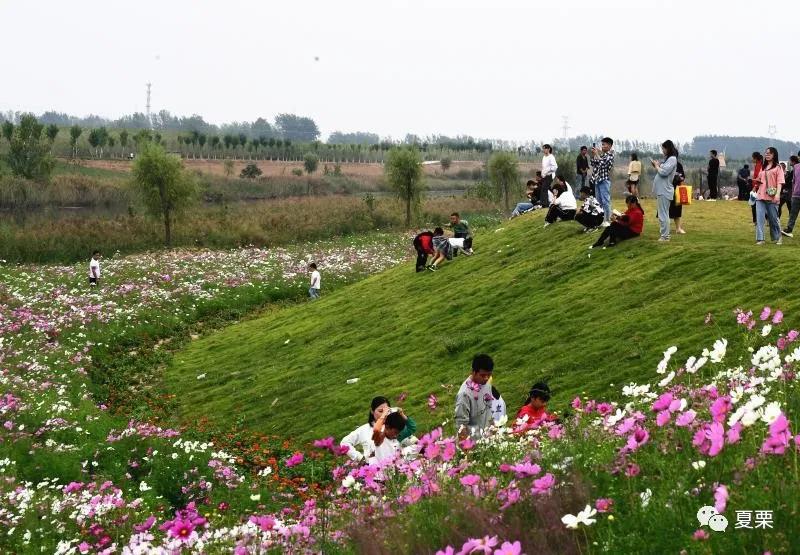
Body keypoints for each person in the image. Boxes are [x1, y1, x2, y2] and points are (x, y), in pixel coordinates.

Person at [340, 396, 416, 462]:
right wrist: (360, 458)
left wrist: (402, 414)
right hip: (375, 470)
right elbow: (345, 442)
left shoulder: (393, 427)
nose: (384, 413)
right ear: (372, 411)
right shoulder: (365, 430)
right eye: (380, 411)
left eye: (386, 411)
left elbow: (411, 428)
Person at [455, 354, 495, 439]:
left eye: (489, 375)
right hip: (473, 443)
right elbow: (461, 425)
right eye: (483, 375)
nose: (486, 378)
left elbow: (489, 410)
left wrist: (494, 431)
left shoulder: (486, 384)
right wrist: (468, 449)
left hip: (488, 439)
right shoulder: (464, 394)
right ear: (473, 372)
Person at [754, 147, 784, 245]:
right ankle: (760, 239)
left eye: (769, 153)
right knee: (759, 218)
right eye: (766, 153)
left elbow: (780, 182)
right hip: (760, 196)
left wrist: (777, 195)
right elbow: (759, 179)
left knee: (773, 219)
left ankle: (778, 237)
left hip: (772, 196)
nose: (767, 155)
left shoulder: (778, 167)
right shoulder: (763, 167)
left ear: (774, 155)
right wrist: (755, 185)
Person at [651, 140, 679, 242]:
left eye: (663, 148)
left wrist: (657, 166)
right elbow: (663, 169)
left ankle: (665, 236)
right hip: (662, 190)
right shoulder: (669, 159)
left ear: (668, 148)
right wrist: (657, 165)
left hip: (665, 190)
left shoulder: (672, 159)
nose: (662, 151)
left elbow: (664, 172)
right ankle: (664, 234)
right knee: (664, 213)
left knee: (663, 214)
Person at [590, 138, 615, 227]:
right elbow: (593, 163)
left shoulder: (610, 155)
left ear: (609, 145)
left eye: (604, 144)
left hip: (604, 181)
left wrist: (597, 154)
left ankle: (607, 220)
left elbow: (603, 164)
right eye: (602, 144)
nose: (602, 146)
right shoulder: (603, 155)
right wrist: (593, 155)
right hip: (597, 180)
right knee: (598, 202)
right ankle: (600, 220)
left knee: (606, 201)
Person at [782, 155, 800, 237]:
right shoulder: (796, 167)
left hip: (795, 194)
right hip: (796, 194)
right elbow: (794, 181)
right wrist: (793, 192)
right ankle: (789, 230)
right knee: (793, 213)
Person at [669, 160, 687, 235]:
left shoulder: (678, 165)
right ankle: (664, 228)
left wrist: (681, 188)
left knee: (677, 209)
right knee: (665, 209)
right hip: (666, 188)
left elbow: (682, 177)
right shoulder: (666, 163)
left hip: (676, 189)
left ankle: (678, 228)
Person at [540, 144, 558, 208]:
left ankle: (545, 204)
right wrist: (543, 173)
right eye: (543, 149)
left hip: (550, 175)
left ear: (548, 149)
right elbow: (543, 167)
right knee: (544, 188)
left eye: (545, 148)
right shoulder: (544, 157)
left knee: (544, 188)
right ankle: (545, 203)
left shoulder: (551, 157)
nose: (544, 150)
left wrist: (548, 170)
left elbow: (555, 167)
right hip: (545, 175)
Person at [750, 152, 764, 224]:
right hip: (757, 187)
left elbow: (759, 178)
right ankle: (757, 220)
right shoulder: (758, 164)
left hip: (757, 188)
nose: (752, 159)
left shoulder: (759, 165)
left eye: (752, 158)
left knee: (753, 204)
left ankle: (756, 220)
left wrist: (755, 187)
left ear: (755, 158)